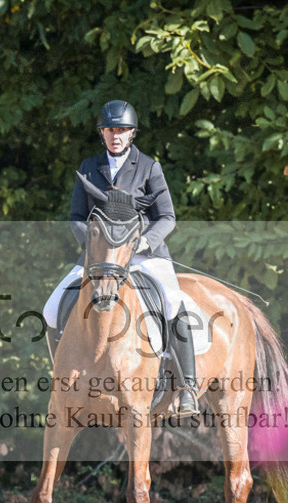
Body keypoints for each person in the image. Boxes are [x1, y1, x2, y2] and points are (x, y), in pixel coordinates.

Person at [42, 99, 200, 416]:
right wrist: (96, 245)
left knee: (173, 302)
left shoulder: (149, 167)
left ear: (132, 134)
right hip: (100, 257)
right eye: (111, 129)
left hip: (143, 253)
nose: (117, 135)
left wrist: (143, 242)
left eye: (123, 130)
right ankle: (64, 379)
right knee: (50, 308)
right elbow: (76, 216)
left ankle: (187, 389)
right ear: (102, 133)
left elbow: (167, 217)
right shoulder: (89, 168)